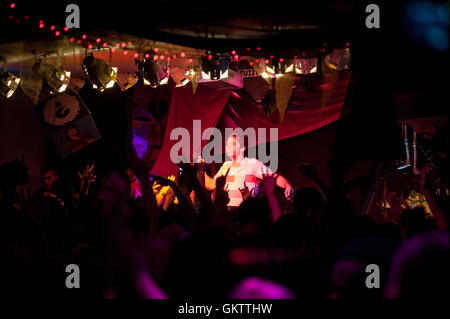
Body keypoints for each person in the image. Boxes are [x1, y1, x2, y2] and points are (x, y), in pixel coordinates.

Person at [204, 135, 293, 208]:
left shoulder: (252, 163)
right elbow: (212, 184)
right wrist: (200, 169)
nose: (229, 147)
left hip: (245, 211)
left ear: (242, 148)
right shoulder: (226, 166)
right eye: (227, 145)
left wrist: (287, 185)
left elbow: (273, 177)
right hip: (227, 212)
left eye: (233, 144)